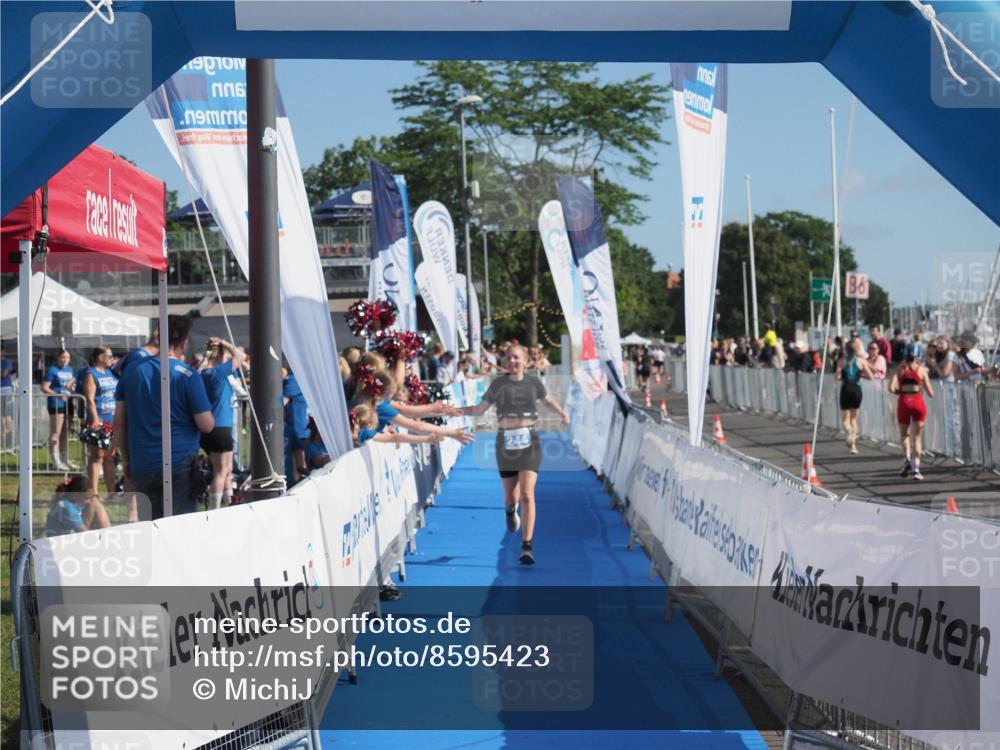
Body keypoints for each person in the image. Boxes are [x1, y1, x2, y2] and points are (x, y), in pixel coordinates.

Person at [455, 344, 570, 566]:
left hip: (529, 442)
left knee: (528, 494)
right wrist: (455, 411)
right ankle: (509, 511)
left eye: (516, 357)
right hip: (505, 443)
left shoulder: (534, 382)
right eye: (509, 358)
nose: (512, 361)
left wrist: (563, 413)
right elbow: (479, 410)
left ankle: (526, 546)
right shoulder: (498, 384)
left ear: (525, 361)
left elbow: (548, 400)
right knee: (511, 497)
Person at [113, 315, 214, 519]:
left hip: (143, 462)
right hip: (179, 463)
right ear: (184, 343)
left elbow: (119, 423)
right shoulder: (187, 375)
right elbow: (206, 425)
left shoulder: (132, 370)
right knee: (181, 529)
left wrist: (127, 461)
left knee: (152, 528)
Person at [200, 337, 246, 509]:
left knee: (226, 472)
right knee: (221, 472)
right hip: (220, 427)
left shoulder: (203, 373)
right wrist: (224, 343)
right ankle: (215, 511)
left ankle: (228, 506)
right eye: (225, 357)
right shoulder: (217, 373)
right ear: (220, 357)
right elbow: (241, 355)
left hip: (212, 428)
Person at [889, 353, 935, 480]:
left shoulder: (899, 369)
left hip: (904, 401)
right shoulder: (922, 370)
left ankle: (907, 459)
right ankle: (916, 469)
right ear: (916, 359)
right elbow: (931, 393)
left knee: (905, 435)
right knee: (917, 437)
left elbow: (891, 388)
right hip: (918, 402)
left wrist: (901, 391)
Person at [81, 347, 119, 496]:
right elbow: (90, 399)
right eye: (109, 355)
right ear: (100, 357)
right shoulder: (91, 374)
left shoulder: (112, 373)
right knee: (97, 457)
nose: (111, 358)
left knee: (110, 457)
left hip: (112, 419)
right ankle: (94, 492)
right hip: (99, 420)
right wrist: (96, 419)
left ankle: (112, 491)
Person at [41, 349, 77, 470]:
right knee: (56, 433)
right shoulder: (52, 370)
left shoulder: (70, 370)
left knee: (65, 432)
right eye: (63, 357)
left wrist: (74, 392)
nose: (65, 360)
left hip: (69, 403)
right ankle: (55, 460)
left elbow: (71, 386)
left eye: (67, 357)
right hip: (56, 404)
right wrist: (57, 395)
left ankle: (65, 459)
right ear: (57, 358)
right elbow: (44, 387)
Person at [835, 338, 872, 454]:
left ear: (846, 349)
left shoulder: (841, 361)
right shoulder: (861, 361)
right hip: (857, 389)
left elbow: (837, 377)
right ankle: (853, 447)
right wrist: (860, 376)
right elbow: (871, 376)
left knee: (845, 420)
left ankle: (849, 431)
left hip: (846, 388)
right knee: (854, 419)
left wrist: (842, 376)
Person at [45, 475, 110, 536]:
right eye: (87, 498)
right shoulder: (66, 507)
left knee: (95, 503)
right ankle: (107, 537)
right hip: (60, 543)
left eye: (90, 497)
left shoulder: (73, 502)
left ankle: (107, 535)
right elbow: (84, 533)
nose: (89, 501)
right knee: (95, 504)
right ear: (75, 495)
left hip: (68, 537)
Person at [282, 366, 311, 486]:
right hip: (302, 429)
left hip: (297, 430)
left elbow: (281, 402)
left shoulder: (293, 380)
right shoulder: (302, 379)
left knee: (297, 465)